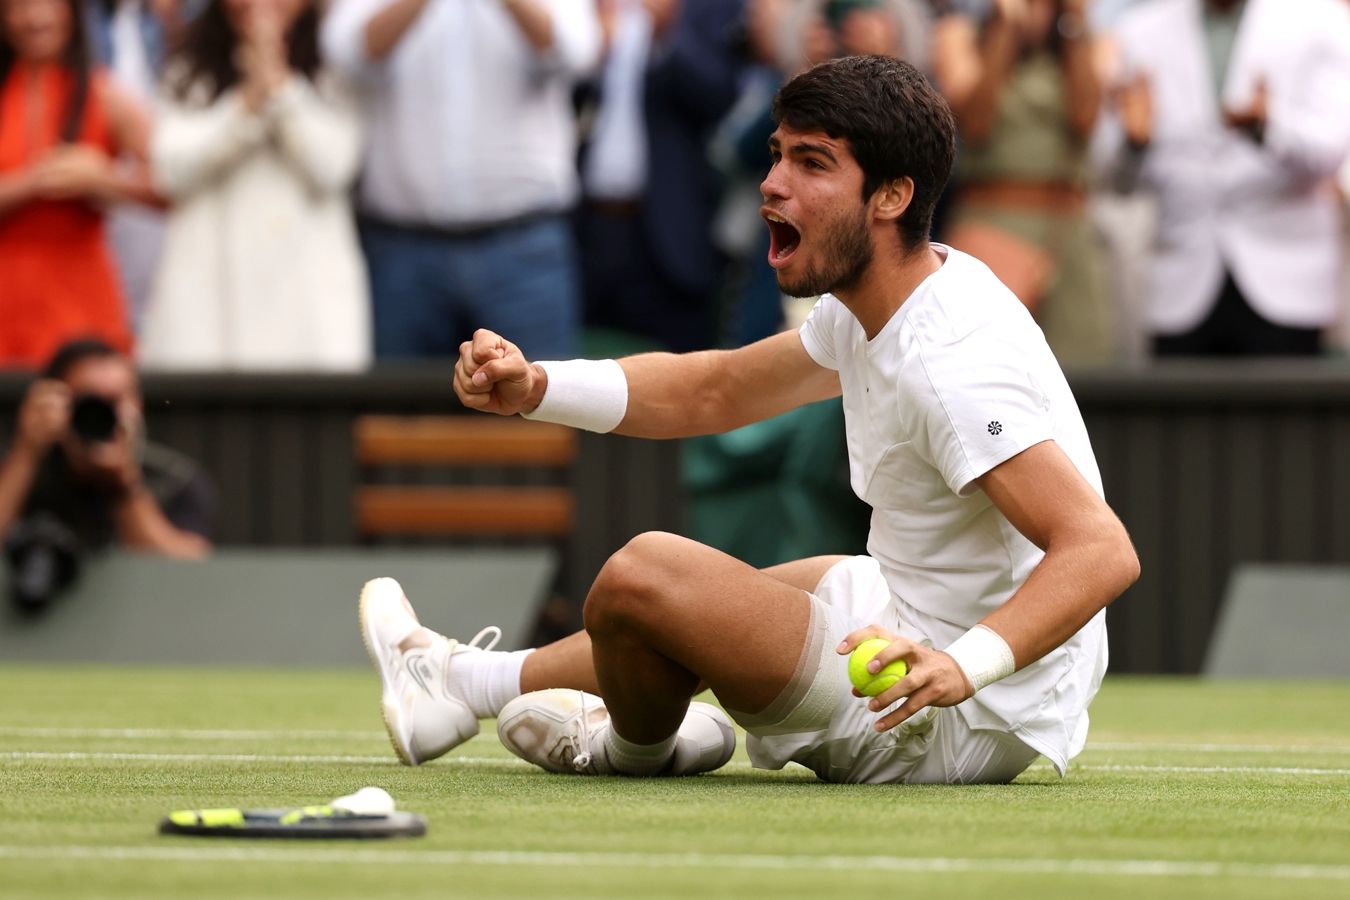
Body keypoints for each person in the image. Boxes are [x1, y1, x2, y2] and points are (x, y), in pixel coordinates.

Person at [359, 55, 1139, 785]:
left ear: (891, 197)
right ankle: (453, 683)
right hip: (912, 619)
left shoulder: (951, 367)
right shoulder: (888, 298)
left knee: (644, 575)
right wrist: (536, 387)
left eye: (811, 163)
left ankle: (632, 745)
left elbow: (1101, 551)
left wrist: (963, 666)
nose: (772, 184)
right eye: (777, 155)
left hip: (945, 710)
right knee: (725, 599)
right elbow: (717, 391)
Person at [320, 0, 600, 362]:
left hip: (523, 249)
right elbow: (345, 54)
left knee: (537, 407)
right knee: (399, 412)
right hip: (404, 251)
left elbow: (576, 51)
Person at [1099, 0, 1350, 357]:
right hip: (1179, 288)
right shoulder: (1140, 30)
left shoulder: (1320, 20)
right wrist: (1135, 145)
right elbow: (1113, 178)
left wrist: (1268, 129)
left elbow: (1332, 150)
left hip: (1287, 282)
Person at [138, 0, 371, 371]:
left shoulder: (335, 70)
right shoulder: (188, 70)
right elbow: (170, 169)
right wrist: (246, 104)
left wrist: (279, 86)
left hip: (306, 308)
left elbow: (333, 166)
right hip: (209, 306)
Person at [933, 0, 1117, 366]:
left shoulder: (1089, 41)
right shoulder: (960, 36)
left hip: (1067, 230)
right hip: (991, 221)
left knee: (1082, 368)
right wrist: (1005, 30)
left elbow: (1086, 118)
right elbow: (974, 124)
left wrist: (1075, 24)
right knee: (983, 365)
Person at [0, 0, 157, 370]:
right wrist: (32, 182)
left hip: (81, 297)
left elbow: (174, 182)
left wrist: (105, 179)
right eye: (17, 7)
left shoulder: (105, 94)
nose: (34, 19)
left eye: (47, 5)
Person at [0, 339, 213, 608]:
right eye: (88, 400)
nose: (103, 414)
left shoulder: (173, 479)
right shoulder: (21, 472)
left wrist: (123, 485)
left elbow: (192, 577)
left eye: (116, 400)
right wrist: (27, 451)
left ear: (137, 404)